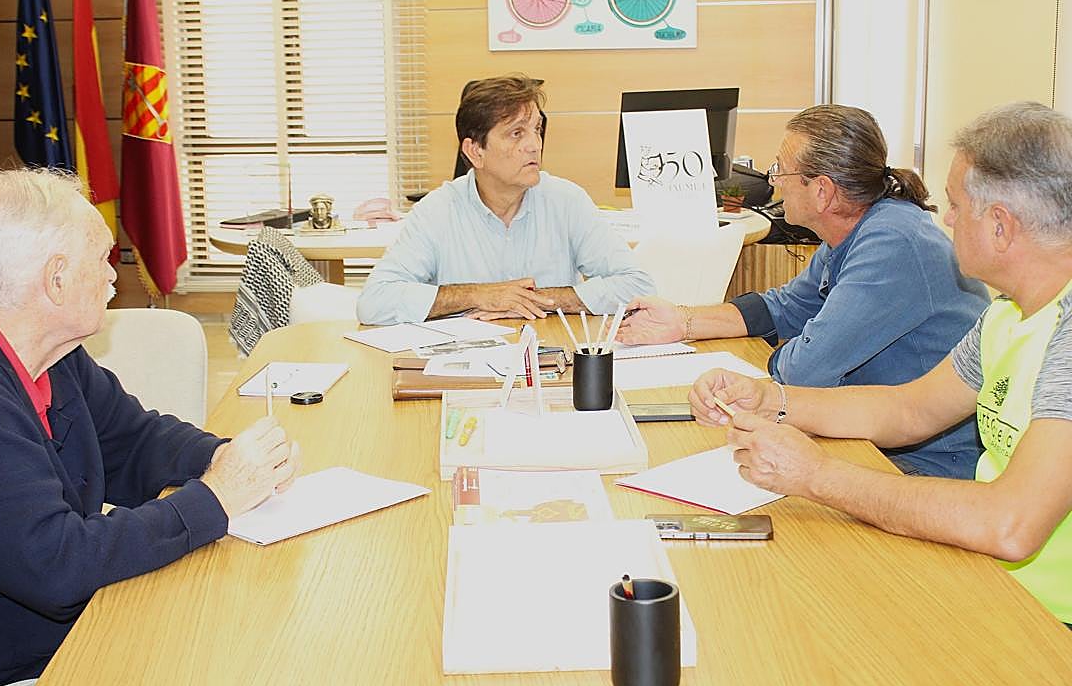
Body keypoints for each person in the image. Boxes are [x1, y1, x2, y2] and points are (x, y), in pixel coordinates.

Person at [0, 168, 300, 686]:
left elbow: (133, 441)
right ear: (55, 280)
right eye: (102, 259)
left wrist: (225, 457)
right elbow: (58, 565)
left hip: (48, 639)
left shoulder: (46, 353)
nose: (113, 277)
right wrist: (214, 500)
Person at [689, 102, 1072, 624]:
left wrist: (818, 475)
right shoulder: (1008, 314)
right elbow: (911, 410)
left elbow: (1010, 523)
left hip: (1046, 620)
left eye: (957, 205)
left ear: (1001, 227)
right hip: (998, 585)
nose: (947, 218)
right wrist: (771, 399)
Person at [618, 104, 988, 479]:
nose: (774, 180)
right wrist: (683, 321)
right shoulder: (855, 228)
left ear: (822, 191)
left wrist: (765, 380)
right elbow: (788, 307)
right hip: (868, 438)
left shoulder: (894, 243)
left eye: (781, 169)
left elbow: (805, 370)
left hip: (928, 463)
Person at [356, 74, 654, 324]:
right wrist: (480, 295)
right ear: (475, 152)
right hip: (466, 364)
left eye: (536, 130)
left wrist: (538, 299)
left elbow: (638, 285)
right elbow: (374, 302)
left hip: (551, 355)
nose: (534, 145)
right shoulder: (437, 210)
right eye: (516, 133)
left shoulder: (566, 200)